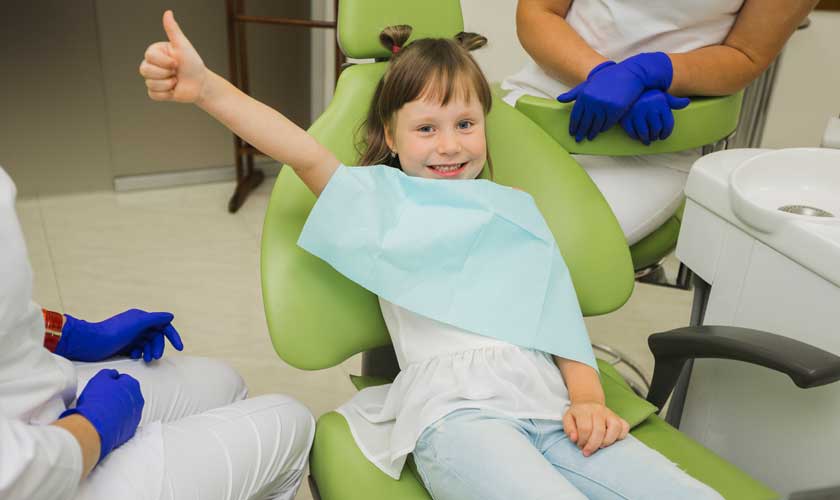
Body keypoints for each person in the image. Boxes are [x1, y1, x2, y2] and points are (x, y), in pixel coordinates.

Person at [138, 11, 722, 499]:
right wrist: (207, 88)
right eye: (426, 128)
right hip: (456, 415)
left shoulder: (514, 207)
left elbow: (558, 320)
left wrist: (590, 401)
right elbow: (299, 150)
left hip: (547, 403)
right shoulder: (379, 201)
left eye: (466, 123)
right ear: (390, 138)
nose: (449, 144)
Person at [1, 168, 313, 496]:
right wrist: (93, 426)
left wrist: (71, 334)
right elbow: (16, 472)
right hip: (38, 473)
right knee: (292, 423)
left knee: (226, 384)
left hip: (28, 395)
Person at [501, 0, 817, 247]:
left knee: (539, 247)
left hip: (651, 145)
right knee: (467, 220)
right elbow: (538, 12)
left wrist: (656, 70)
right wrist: (602, 74)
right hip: (540, 107)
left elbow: (747, 54)